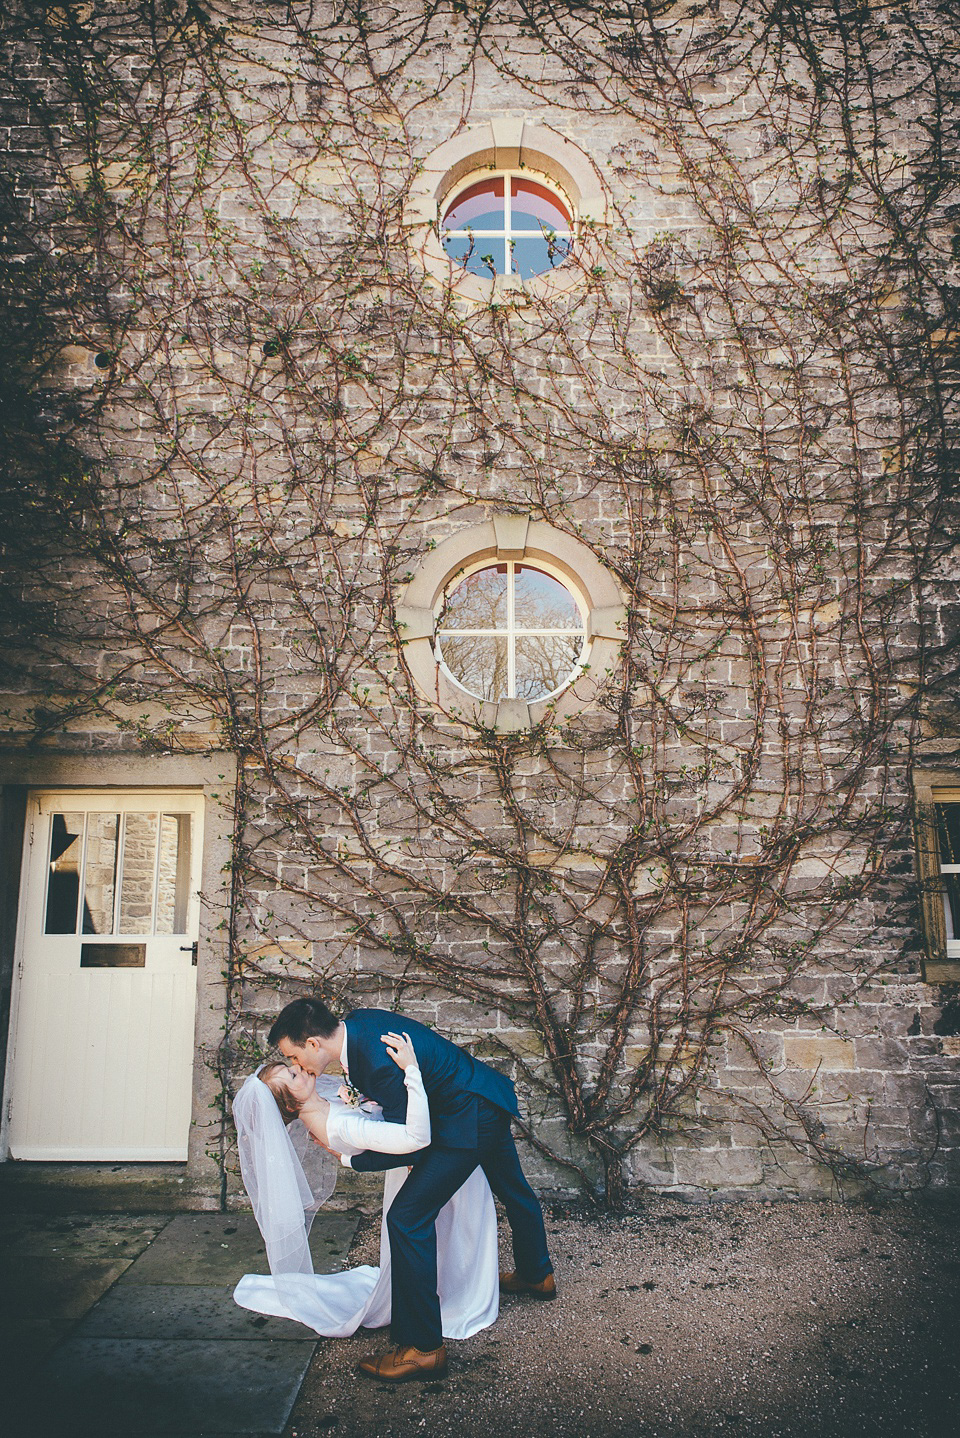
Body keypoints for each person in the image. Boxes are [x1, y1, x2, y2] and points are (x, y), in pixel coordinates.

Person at [268, 996, 555, 1384]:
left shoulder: (375, 1063)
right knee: (513, 1189)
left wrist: (353, 1160)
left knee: (405, 1218)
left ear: (314, 1044)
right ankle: (537, 1275)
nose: (297, 1065)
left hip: (462, 1121)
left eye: (294, 1055)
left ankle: (422, 1348)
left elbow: (414, 1143)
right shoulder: (357, 1025)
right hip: (485, 1096)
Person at [231, 1030, 498, 1357]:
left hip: (416, 1169)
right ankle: (452, 1302)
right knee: (450, 1236)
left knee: (442, 1239)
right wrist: (412, 1071)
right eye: (292, 1073)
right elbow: (416, 1139)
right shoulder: (338, 1126)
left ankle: (441, 1298)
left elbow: (372, 1124)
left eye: (294, 1065)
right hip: (431, 1162)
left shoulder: (325, 1106)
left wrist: (353, 1140)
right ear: (289, 1101)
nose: (300, 1068)